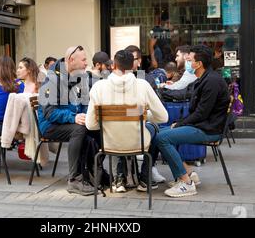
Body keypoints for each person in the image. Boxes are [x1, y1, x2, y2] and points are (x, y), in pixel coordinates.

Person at [142, 44, 230, 198]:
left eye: (190, 59)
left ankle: (186, 183)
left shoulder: (211, 81)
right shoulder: (204, 78)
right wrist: (180, 123)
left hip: (208, 129)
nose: (187, 61)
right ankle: (189, 173)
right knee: (158, 133)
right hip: (201, 125)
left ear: (199, 63)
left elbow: (201, 114)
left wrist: (180, 123)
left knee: (163, 137)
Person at [86, 49, 168, 193]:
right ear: (133, 66)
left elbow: (91, 125)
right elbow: (163, 117)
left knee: (116, 130)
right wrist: (141, 115)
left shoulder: (98, 87)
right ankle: (144, 178)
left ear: (113, 65)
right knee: (155, 129)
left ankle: (119, 179)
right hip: (138, 143)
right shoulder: (142, 85)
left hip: (110, 144)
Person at [38, 46, 93, 196]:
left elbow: (85, 104)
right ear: (71, 60)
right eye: (83, 60)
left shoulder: (81, 77)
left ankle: (93, 173)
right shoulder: (52, 80)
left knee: (93, 128)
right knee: (79, 129)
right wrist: (74, 117)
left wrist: (85, 116)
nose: (86, 63)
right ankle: (74, 180)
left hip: (69, 122)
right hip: (50, 125)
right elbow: (49, 113)